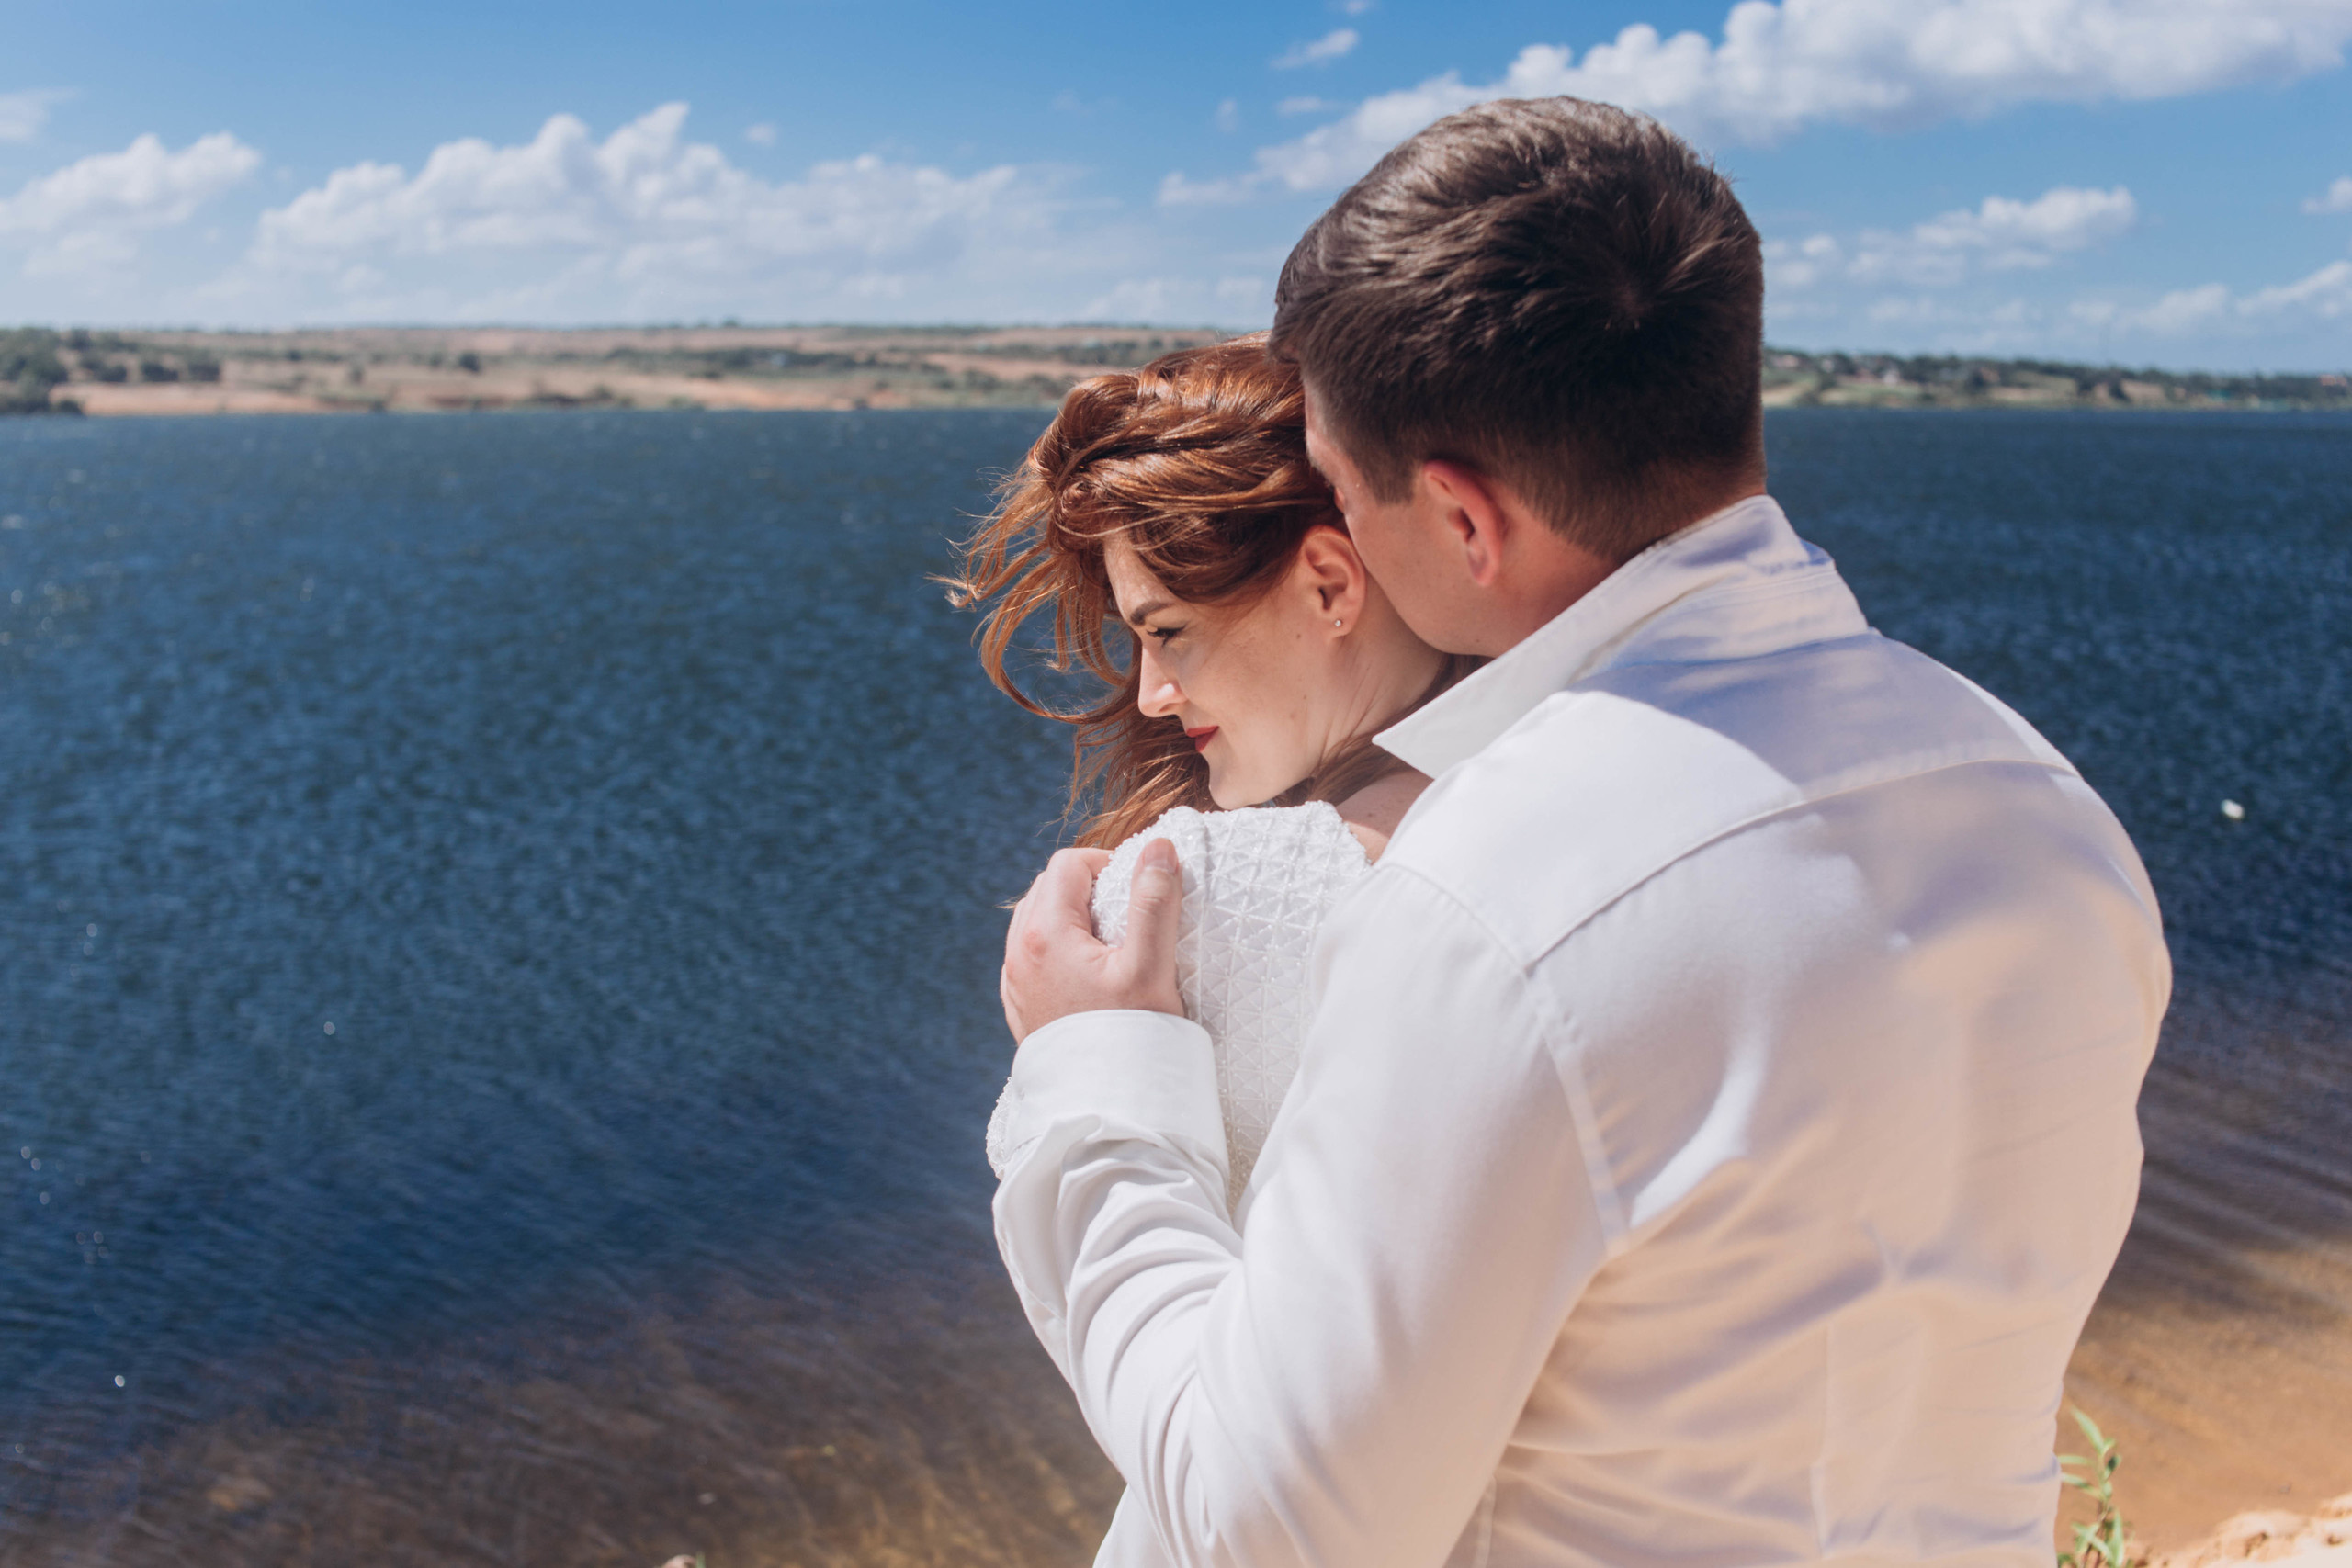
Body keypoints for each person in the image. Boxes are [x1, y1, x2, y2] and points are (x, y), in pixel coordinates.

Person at [989, 96, 2171, 1568]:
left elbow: (1268, 1528)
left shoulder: (1497, 898)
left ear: (1464, 522)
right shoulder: (2047, 806)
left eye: (1347, 485)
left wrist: (1095, 1079)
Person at [949, 337, 1476, 1208]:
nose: (1153, 693)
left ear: (1330, 587)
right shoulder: (1569, 776)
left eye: (1168, 631)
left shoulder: (1200, 898)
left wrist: (1084, 1053)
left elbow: (1110, 1321)